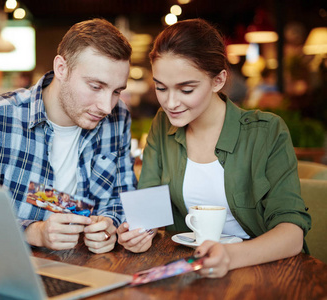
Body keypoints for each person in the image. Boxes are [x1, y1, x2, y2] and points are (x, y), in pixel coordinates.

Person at [117, 19, 311, 277]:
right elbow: (148, 215)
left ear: (218, 80)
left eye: (186, 89)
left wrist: (228, 257)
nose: (170, 103)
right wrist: (138, 233)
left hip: (264, 271)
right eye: (161, 88)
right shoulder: (162, 126)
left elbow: (292, 234)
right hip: (192, 268)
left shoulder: (266, 131)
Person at [0, 18, 137, 254]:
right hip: (9, 262)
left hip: (88, 263)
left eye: (117, 91)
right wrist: (35, 232)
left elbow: (122, 197)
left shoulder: (118, 116)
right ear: (61, 68)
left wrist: (110, 223)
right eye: (95, 86)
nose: (107, 107)